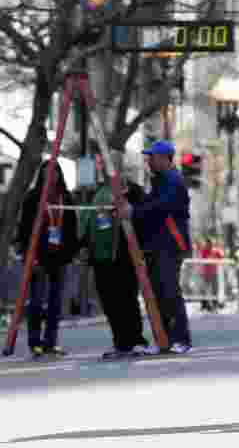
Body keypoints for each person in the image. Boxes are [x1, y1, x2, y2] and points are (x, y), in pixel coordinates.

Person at [116, 139, 193, 354]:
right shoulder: (160, 180)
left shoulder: (172, 180)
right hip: (158, 245)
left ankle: (181, 339)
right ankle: (166, 339)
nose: (148, 161)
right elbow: (148, 204)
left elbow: (160, 207)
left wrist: (134, 212)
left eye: (152, 157)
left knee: (169, 292)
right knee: (159, 293)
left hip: (170, 244)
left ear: (164, 159)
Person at [80, 171, 149, 359]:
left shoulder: (133, 191)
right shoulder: (97, 193)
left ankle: (135, 340)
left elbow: (143, 217)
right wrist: (85, 247)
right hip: (101, 260)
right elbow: (89, 222)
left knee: (127, 299)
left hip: (124, 257)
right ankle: (121, 343)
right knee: (110, 303)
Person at [15, 161, 80, 358]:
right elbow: (24, 229)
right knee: (36, 301)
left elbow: (71, 227)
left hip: (59, 257)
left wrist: (72, 252)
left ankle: (50, 342)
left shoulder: (65, 197)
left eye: (55, 173)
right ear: (41, 175)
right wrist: (28, 255)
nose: (52, 177)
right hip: (38, 257)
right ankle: (35, 342)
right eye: (47, 173)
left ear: (60, 175)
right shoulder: (33, 198)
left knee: (55, 302)